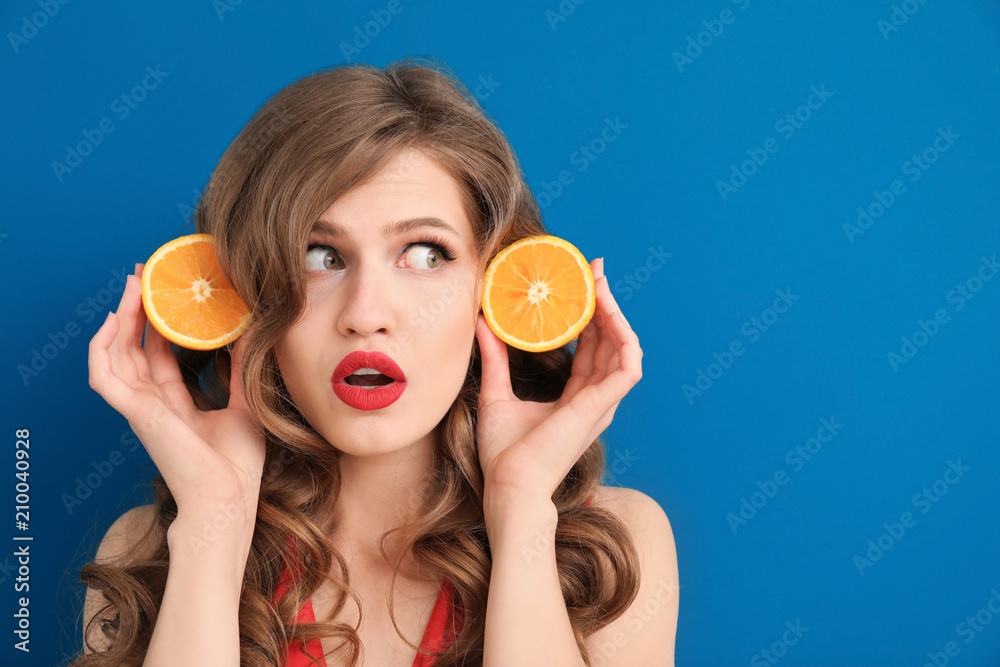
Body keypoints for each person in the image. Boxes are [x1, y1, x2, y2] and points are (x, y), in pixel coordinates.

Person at [74, 57, 678, 666]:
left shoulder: (612, 548)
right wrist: (214, 521)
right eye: (319, 255)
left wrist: (521, 508)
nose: (365, 314)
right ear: (246, 292)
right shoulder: (144, 550)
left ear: (493, 286)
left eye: (424, 254)